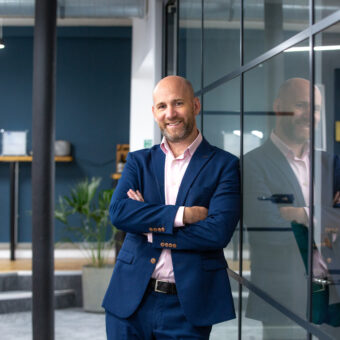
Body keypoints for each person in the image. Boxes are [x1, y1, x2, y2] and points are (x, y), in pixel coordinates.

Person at [102, 75, 240, 339]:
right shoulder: (138, 162)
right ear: (154, 113)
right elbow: (119, 213)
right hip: (130, 301)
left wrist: (150, 228)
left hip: (188, 307)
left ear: (195, 106)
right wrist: (183, 215)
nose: (171, 113)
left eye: (178, 103)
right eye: (162, 106)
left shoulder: (224, 165)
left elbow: (217, 233)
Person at [244, 78, 340, 339]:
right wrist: (326, 215)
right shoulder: (251, 165)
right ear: (278, 106)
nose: (310, 115)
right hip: (284, 295)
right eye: (301, 105)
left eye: (316, 108)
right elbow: (269, 229)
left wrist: (302, 214)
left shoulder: (330, 163)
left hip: (332, 293)